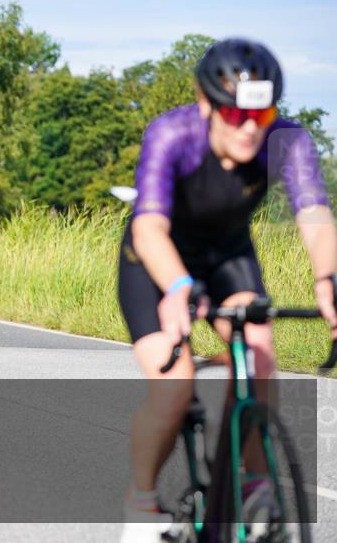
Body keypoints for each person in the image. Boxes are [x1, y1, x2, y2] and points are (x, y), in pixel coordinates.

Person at [117, 38, 337, 542]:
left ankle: (255, 486)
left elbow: (315, 215)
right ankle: (143, 505)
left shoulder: (287, 140)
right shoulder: (173, 133)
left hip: (228, 257)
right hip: (156, 260)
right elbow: (149, 227)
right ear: (207, 106)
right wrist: (176, 287)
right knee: (172, 385)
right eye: (234, 114)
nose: (246, 129)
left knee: (258, 355)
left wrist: (327, 279)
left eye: (259, 116)